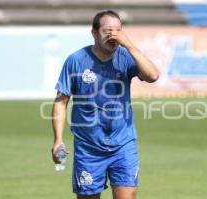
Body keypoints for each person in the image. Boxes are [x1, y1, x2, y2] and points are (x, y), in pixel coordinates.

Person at [51, 10, 159, 199]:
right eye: (108, 31)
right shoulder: (76, 61)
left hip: (123, 145)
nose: (113, 35)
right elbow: (61, 102)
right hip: (88, 149)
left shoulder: (125, 56)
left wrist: (130, 45)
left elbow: (152, 75)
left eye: (118, 30)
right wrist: (58, 139)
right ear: (94, 32)